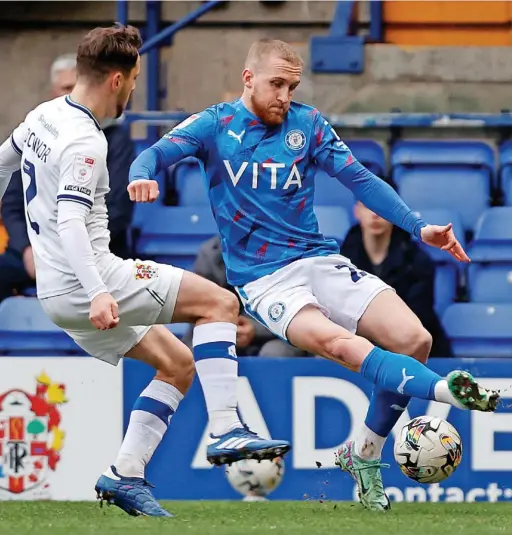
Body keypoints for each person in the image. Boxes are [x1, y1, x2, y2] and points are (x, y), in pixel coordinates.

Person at [128, 38, 500, 512]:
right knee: (341, 345)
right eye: (276, 84)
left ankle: (363, 453)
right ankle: (449, 390)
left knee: (415, 340)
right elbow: (153, 154)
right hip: (266, 280)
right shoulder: (214, 124)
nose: (285, 95)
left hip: (320, 261)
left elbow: (360, 180)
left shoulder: (308, 124)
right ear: (249, 78)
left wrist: (418, 225)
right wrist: (142, 174)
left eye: (292, 85)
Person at [0, 25, 289, 518]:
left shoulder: (44, 117)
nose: (134, 88)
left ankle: (125, 474)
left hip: (53, 292)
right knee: (220, 303)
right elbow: (71, 219)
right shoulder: (86, 142)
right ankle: (225, 427)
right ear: (116, 79)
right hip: (91, 281)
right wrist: (96, 290)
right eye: (133, 78)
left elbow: (3, 162)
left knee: (177, 363)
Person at [0, 53, 135, 303]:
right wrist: (28, 250)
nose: (71, 94)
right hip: (32, 251)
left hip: (93, 253)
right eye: (65, 87)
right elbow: (12, 204)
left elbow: (116, 210)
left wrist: (62, 253)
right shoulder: (37, 128)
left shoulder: (114, 138)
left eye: (76, 87)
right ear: (52, 91)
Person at [341, 200, 453, 357]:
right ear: (357, 211)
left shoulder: (417, 262)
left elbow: (418, 318)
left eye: (383, 207)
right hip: (356, 352)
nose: (375, 215)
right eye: (368, 206)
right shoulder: (341, 262)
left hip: (417, 355)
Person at [182, 235, 310, 357]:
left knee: (274, 352)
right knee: (194, 352)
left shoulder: (291, 249)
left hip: (279, 331)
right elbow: (200, 309)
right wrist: (227, 327)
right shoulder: (211, 253)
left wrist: (255, 329)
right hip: (224, 329)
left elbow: (299, 310)